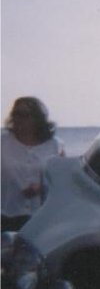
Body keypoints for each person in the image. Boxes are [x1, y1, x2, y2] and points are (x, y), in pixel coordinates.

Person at [1, 97, 65, 231]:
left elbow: (61, 179)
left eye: (24, 115)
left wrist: (41, 187)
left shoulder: (55, 145)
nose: (18, 119)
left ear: (38, 118)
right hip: (7, 216)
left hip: (41, 217)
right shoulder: (3, 142)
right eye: (16, 114)